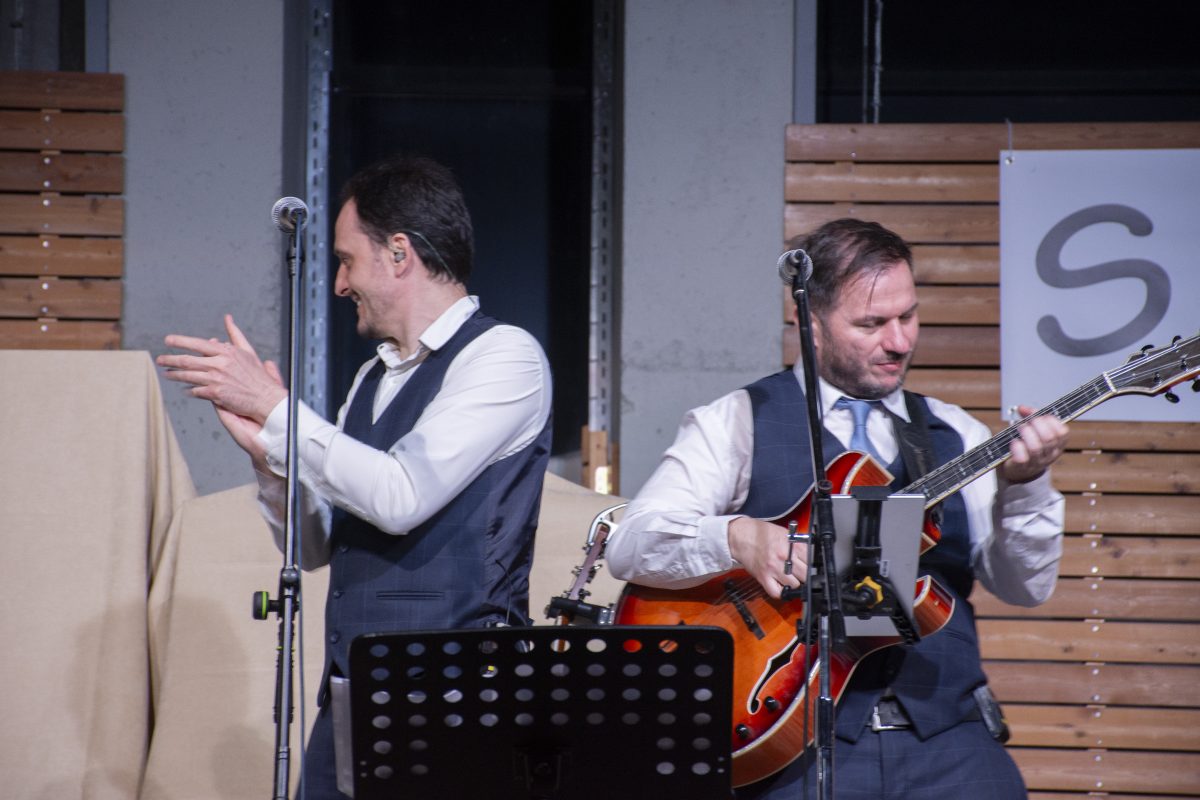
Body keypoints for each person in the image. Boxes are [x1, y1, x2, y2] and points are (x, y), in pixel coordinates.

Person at [605, 218, 1068, 799]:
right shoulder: (737, 421)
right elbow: (631, 543)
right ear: (810, 322)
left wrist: (1027, 485)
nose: (899, 342)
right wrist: (738, 538)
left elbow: (1028, 587)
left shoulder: (955, 432)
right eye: (871, 324)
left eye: (908, 316)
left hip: (948, 744)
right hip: (794, 741)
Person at [157, 154, 553, 798]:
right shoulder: (373, 377)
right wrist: (269, 460)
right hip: (352, 696)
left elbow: (400, 496)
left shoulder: (503, 356)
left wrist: (277, 409)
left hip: (457, 700)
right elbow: (316, 545)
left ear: (399, 253)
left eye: (346, 260)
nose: (340, 284)